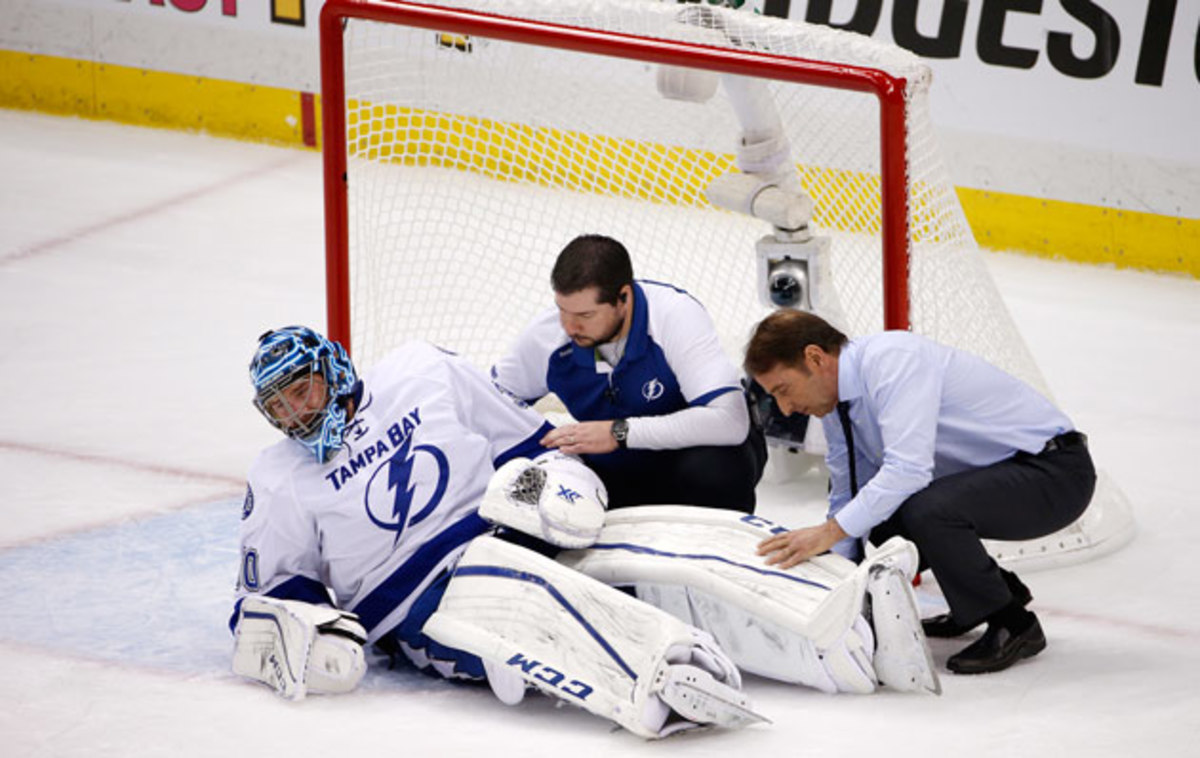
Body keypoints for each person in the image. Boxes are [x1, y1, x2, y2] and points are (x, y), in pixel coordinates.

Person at [229, 325, 760, 739]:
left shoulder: (422, 370)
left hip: (506, 525)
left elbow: (528, 440)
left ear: (334, 370)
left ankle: (739, 602)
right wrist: (314, 635)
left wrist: (563, 479)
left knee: (622, 561)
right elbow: (266, 598)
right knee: (517, 622)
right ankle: (650, 679)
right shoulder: (278, 479)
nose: (295, 413)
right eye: (278, 406)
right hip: (413, 601)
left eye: (302, 391)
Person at [743, 309, 1097, 675]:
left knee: (927, 510)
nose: (785, 409)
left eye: (783, 391)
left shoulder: (893, 360)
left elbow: (908, 470)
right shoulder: (834, 404)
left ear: (815, 358)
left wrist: (829, 533)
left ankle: (1014, 623)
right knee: (881, 528)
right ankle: (988, 596)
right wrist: (839, 578)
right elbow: (848, 487)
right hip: (1001, 476)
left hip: (1055, 474)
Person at [490, 234, 766, 511]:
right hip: (617, 469)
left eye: (586, 316)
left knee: (714, 472)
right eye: (562, 310)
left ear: (624, 297)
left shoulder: (674, 316)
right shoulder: (545, 337)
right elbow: (489, 405)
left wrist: (619, 433)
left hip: (694, 460)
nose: (569, 327)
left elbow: (730, 421)